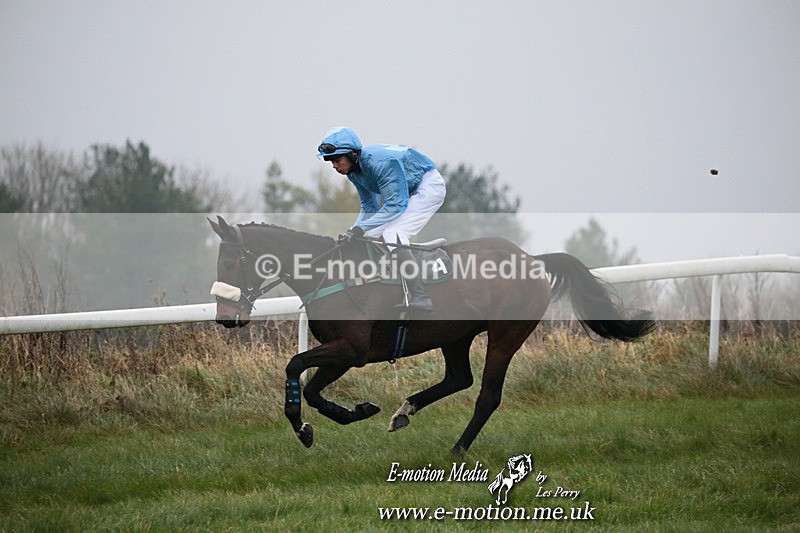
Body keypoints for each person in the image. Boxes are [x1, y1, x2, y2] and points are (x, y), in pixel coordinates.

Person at [316, 126, 446, 312]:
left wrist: (360, 228)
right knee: (365, 235)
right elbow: (369, 206)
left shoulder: (380, 163)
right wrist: (355, 230)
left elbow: (396, 205)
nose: (334, 166)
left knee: (393, 233)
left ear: (353, 155)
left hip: (428, 187)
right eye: (331, 162)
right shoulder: (353, 171)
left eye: (337, 160)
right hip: (407, 192)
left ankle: (420, 295)